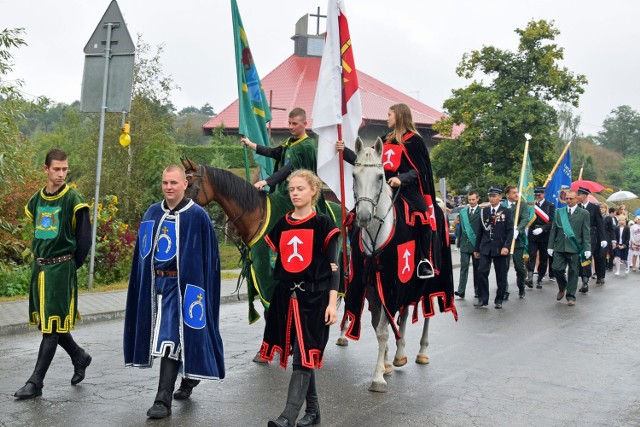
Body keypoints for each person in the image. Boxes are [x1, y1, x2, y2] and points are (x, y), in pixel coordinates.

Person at [123, 164, 225, 419]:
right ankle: (189, 377)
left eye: (174, 183)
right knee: (164, 339)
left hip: (183, 288)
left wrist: (203, 292)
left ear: (185, 185)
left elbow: (210, 259)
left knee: (170, 340)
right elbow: (142, 254)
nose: (169, 187)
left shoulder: (197, 216)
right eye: (165, 183)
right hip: (155, 287)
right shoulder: (152, 212)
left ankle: (162, 400)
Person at [260, 169, 340, 427]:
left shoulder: (324, 225)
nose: (294, 193)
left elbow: (334, 270)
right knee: (302, 355)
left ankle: (287, 416)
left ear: (313, 191)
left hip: (315, 299)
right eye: (292, 189)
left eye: (300, 189)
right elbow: (277, 262)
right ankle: (314, 410)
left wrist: (331, 304)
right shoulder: (282, 223)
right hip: (287, 298)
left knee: (304, 357)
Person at [14, 149, 92, 400]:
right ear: (45, 169)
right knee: (47, 323)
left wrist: (69, 267)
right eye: (56, 169)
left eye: (65, 169)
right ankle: (80, 356)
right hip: (40, 269)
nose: (61, 174)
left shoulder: (74, 200)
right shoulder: (36, 200)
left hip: (61, 269)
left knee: (51, 328)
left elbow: (84, 240)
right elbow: (39, 233)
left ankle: (35, 382)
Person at [336, 103, 440, 278]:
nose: (387, 118)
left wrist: (401, 179)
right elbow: (366, 162)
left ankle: (424, 260)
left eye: (390, 114)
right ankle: (354, 261)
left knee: (422, 214)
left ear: (399, 116)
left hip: (406, 189)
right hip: (381, 187)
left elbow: (419, 170)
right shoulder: (384, 140)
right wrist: (344, 151)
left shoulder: (415, 140)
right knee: (355, 215)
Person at [241, 108, 329, 215]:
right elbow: (274, 152)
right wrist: (251, 144)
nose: (291, 127)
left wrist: (265, 182)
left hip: (302, 193)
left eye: (294, 124)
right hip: (286, 191)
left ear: (304, 124)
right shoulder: (290, 142)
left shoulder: (306, 146)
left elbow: (289, 168)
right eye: (289, 123)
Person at [547, 190, 591, 306]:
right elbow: (553, 230)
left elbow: (586, 232)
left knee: (573, 272)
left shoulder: (584, 213)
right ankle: (562, 286)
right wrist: (550, 246)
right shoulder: (559, 212)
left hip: (575, 247)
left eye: (571, 199)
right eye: (567, 198)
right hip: (560, 246)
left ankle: (571, 296)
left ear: (577, 199)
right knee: (556, 268)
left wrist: (587, 248)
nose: (568, 200)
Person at [473, 186, 514, 309]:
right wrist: (476, 249)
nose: (492, 198)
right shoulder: (484, 211)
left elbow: (509, 231)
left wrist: (507, 246)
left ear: (500, 197)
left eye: (494, 196)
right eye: (490, 196)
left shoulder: (506, 211)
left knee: (501, 275)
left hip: (500, 248)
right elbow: (479, 231)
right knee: (481, 272)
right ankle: (483, 298)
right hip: (485, 247)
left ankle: (499, 299)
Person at [575, 187, 606, 290]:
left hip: (591, 236)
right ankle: (584, 278)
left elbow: (600, 223)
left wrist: (603, 238)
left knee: (588, 256)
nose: (577, 197)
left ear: (584, 195)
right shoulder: (577, 207)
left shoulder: (594, 208)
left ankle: (585, 281)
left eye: (579, 194)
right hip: (579, 236)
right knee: (581, 257)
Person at [503, 185, 530, 299]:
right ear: (507, 194)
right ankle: (504, 291)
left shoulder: (521, 204)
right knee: (503, 268)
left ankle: (521, 287)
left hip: (517, 241)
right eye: (513, 193)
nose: (516, 194)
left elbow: (525, 218)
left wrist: (517, 229)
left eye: (517, 192)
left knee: (519, 267)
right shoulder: (502, 205)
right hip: (504, 241)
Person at [526, 187, 555, 288]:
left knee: (543, 257)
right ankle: (529, 277)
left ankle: (540, 278)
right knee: (531, 255)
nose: (537, 196)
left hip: (544, 234)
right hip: (533, 233)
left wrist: (543, 229)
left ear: (544, 194)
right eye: (536, 195)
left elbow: (552, 221)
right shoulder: (531, 205)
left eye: (539, 195)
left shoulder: (550, 206)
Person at [455, 190, 481, 299]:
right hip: (465, 245)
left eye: (473, 199)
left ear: (478, 199)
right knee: (463, 268)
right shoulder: (463, 212)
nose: (471, 202)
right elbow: (460, 228)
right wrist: (458, 243)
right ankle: (461, 291)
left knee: (477, 269)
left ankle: (478, 290)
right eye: (470, 200)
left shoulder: (482, 211)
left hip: (476, 245)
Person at [603, 206, 618, 271]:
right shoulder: (606, 217)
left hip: (610, 236)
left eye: (602, 207)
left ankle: (610, 265)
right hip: (605, 237)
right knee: (605, 252)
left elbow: (612, 229)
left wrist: (614, 240)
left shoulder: (613, 218)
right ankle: (606, 264)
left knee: (611, 252)